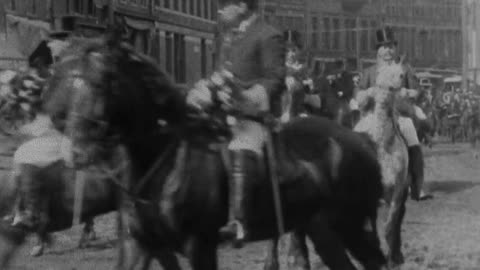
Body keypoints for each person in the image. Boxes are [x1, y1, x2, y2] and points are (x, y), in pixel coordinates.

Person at [183, 0, 285, 245]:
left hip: (252, 117)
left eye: (224, 5)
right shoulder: (228, 35)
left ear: (241, 5)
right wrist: (206, 89)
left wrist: (247, 97)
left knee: (241, 146)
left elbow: (275, 79)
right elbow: (222, 73)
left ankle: (238, 223)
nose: (219, 11)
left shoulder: (269, 35)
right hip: (221, 112)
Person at [357, 26, 432, 201]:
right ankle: (358, 181)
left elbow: (418, 91)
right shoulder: (369, 72)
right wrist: (366, 93)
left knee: (411, 135)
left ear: (395, 48)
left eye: (390, 46)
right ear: (378, 50)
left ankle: (417, 186)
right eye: (383, 47)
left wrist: (411, 92)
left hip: (399, 114)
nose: (387, 51)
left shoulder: (404, 69)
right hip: (374, 115)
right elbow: (358, 93)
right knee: (356, 134)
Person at [9, 31, 73, 228]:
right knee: (20, 157)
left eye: (39, 66)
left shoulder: (58, 79)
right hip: (50, 128)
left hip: (62, 131)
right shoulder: (47, 79)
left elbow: (61, 109)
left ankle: (29, 211)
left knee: (25, 156)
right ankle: (21, 209)